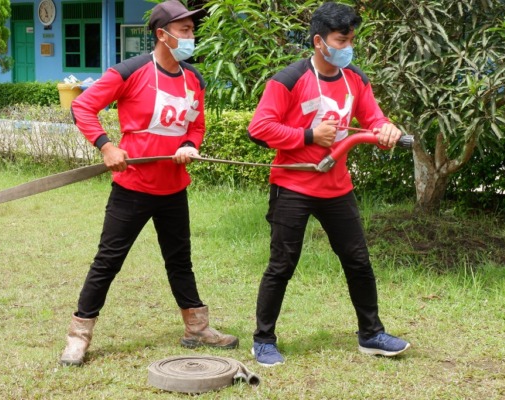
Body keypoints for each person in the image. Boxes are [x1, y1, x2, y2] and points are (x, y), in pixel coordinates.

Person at [60, 0, 238, 367]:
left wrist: (190, 145)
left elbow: (195, 125)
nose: (192, 37)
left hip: (173, 187)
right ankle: (79, 336)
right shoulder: (130, 71)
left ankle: (197, 328)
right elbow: (82, 107)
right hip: (133, 186)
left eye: (192, 30)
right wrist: (106, 146)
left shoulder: (194, 79)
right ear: (162, 34)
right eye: (185, 31)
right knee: (108, 261)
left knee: (180, 261)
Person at [247, 2, 411, 367]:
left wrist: (386, 128)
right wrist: (308, 134)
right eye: (342, 39)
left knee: (358, 261)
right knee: (282, 263)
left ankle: (371, 334)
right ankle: (263, 340)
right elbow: (259, 128)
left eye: (352, 39)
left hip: (337, 187)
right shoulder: (288, 79)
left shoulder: (355, 78)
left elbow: (374, 119)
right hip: (293, 186)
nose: (348, 46)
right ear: (320, 41)